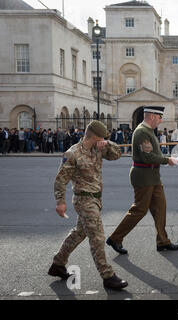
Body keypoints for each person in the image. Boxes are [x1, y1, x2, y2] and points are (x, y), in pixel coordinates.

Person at [48, 120, 128, 290]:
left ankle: (58, 264)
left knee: (79, 233)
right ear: (96, 136)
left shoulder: (98, 148)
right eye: (103, 138)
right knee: (97, 237)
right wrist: (60, 202)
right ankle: (108, 276)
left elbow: (117, 154)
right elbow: (60, 180)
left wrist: (108, 144)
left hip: (96, 198)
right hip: (84, 201)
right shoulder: (72, 154)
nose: (104, 141)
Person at [107, 106, 178, 254]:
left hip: (153, 176)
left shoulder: (148, 132)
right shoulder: (141, 132)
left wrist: (165, 160)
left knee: (160, 208)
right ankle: (115, 238)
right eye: (159, 118)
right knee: (139, 210)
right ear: (152, 116)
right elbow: (147, 157)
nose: (160, 121)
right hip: (143, 176)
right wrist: (167, 160)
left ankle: (162, 241)